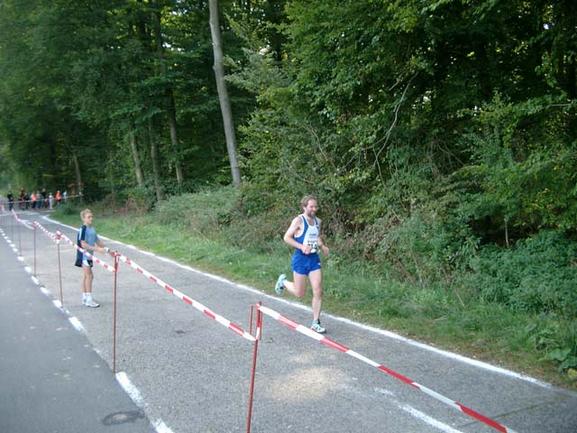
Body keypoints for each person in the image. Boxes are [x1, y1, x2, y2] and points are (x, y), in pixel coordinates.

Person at [275, 195, 330, 333]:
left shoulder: (318, 221)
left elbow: (316, 236)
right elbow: (287, 237)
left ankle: (316, 322)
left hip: (313, 259)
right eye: (311, 206)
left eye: (316, 206)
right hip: (300, 259)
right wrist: (301, 247)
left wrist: (322, 246)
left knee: (318, 290)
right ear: (304, 207)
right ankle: (283, 282)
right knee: (300, 293)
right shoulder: (299, 220)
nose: (314, 209)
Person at [74, 209, 112, 308]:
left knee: (86, 276)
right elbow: (83, 244)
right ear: (83, 218)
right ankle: (89, 299)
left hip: (89, 255)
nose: (91, 218)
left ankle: (85, 297)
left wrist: (108, 250)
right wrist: (98, 249)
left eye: (91, 216)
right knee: (89, 276)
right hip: (83, 255)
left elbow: (98, 241)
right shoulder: (83, 229)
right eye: (88, 217)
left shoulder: (92, 229)